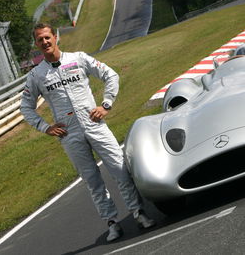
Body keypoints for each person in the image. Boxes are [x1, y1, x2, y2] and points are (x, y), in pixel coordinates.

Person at [20, 23, 155, 242]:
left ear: (56, 37)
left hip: (95, 124)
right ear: (36, 44)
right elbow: (26, 107)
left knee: (120, 169)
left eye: (47, 37)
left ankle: (138, 212)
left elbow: (111, 75)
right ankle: (112, 222)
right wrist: (46, 127)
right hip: (69, 134)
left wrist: (106, 104)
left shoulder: (78, 58)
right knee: (92, 181)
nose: (44, 42)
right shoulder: (36, 75)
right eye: (39, 40)